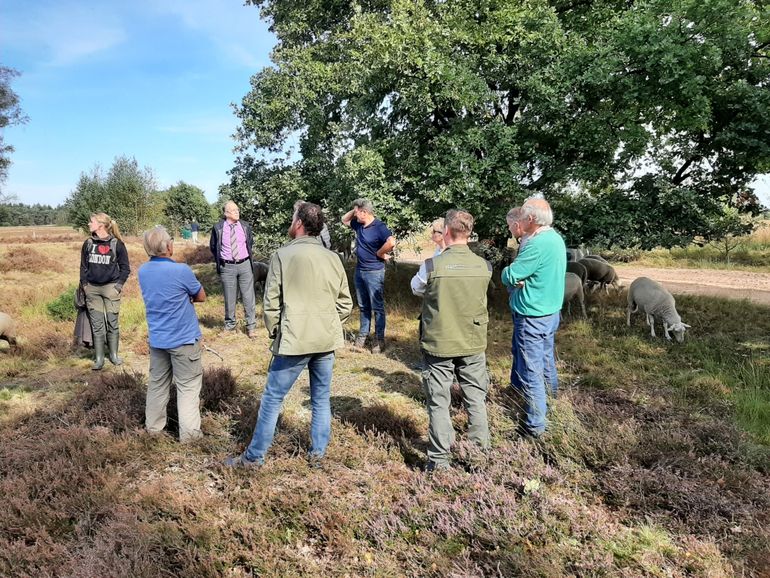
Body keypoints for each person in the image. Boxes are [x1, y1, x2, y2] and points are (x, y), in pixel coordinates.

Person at [225, 202, 353, 468]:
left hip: (293, 339)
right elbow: (345, 304)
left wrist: (275, 332)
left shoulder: (281, 256)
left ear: (299, 224)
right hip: (325, 340)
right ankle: (317, 454)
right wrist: (328, 324)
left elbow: (270, 303)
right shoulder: (333, 258)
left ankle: (254, 457)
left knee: (272, 398)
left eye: (293, 216)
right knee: (321, 398)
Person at [413, 209, 492, 471]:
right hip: (472, 341)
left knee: (439, 401)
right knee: (475, 398)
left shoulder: (431, 265)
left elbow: (416, 288)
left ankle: (439, 461)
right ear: (469, 233)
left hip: (439, 342)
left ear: (446, 231)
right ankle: (479, 456)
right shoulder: (485, 266)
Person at [501, 198, 566, 437]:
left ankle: (534, 426)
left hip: (532, 314)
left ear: (530, 219)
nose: (520, 221)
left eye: (523, 217)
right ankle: (552, 404)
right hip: (549, 311)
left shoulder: (538, 245)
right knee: (546, 361)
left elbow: (511, 274)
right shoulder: (555, 238)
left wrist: (507, 273)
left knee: (531, 369)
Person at [138, 226, 206, 442]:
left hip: (158, 339)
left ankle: (154, 431)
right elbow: (201, 296)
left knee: (157, 385)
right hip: (184, 339)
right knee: (187, 388)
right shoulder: (181, 270)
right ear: (168, 246)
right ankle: (190, 438)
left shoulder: (143, 271)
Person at [341, 198, 396, 353]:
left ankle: (379, 341)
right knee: (364, 306)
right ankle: (362, 337)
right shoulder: (359, 225)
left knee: (377, 307)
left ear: (364, 213)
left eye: (358, 213)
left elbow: (391, 242)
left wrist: (380, 253)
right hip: (360, 271)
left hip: (374, 271)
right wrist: (355, 208)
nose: (355, 216)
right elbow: (344, 219)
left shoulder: (379, 227)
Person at [79, 212, 131, 370]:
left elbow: (125, 268)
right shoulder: (88, 243)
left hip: (111, 289)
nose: (89, 224)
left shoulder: (117, 244)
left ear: (100, 225)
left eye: (92, 222)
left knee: (112, 323)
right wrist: (85, 285)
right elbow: (83, 267)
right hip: (92, 290)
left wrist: (118, 286)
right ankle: (99, 358)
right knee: (97, 325)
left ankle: (114, 356)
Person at [209, 201, 257, 337]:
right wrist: (223, 259)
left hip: (245, 264)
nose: (237, 212)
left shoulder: (245, 226)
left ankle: (251, 326)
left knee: (248, 296)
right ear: (226, 213)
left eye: (237, 209)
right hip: (227, 266)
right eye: (233, 210)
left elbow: (250, 243)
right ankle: (230, 325)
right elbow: (213, 247)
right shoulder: (218, 227)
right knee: (229, 298)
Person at [410, 217, 445, 296]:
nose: (431, 233)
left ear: (442, 235)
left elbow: (417, 286)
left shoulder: (430, 262)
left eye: (434, 231)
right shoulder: (438, 250)